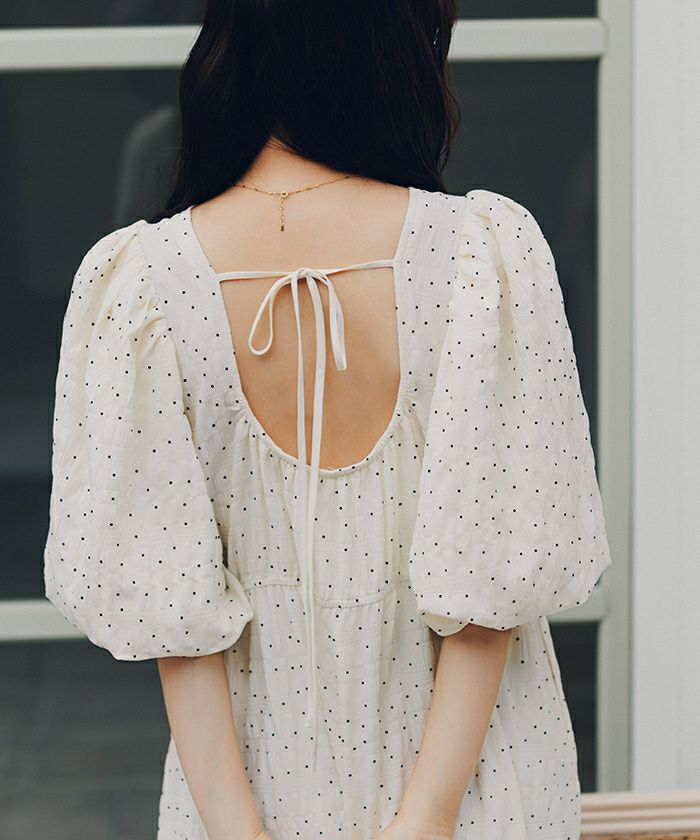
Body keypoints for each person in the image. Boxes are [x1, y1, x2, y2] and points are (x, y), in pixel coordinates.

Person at [42, 1, 612, 838]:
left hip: (255, 784)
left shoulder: (143, 283)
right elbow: (493, 587)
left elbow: (175, 617)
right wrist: (426, 820)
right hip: (478, 789)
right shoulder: (481, 255)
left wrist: (238, 831)